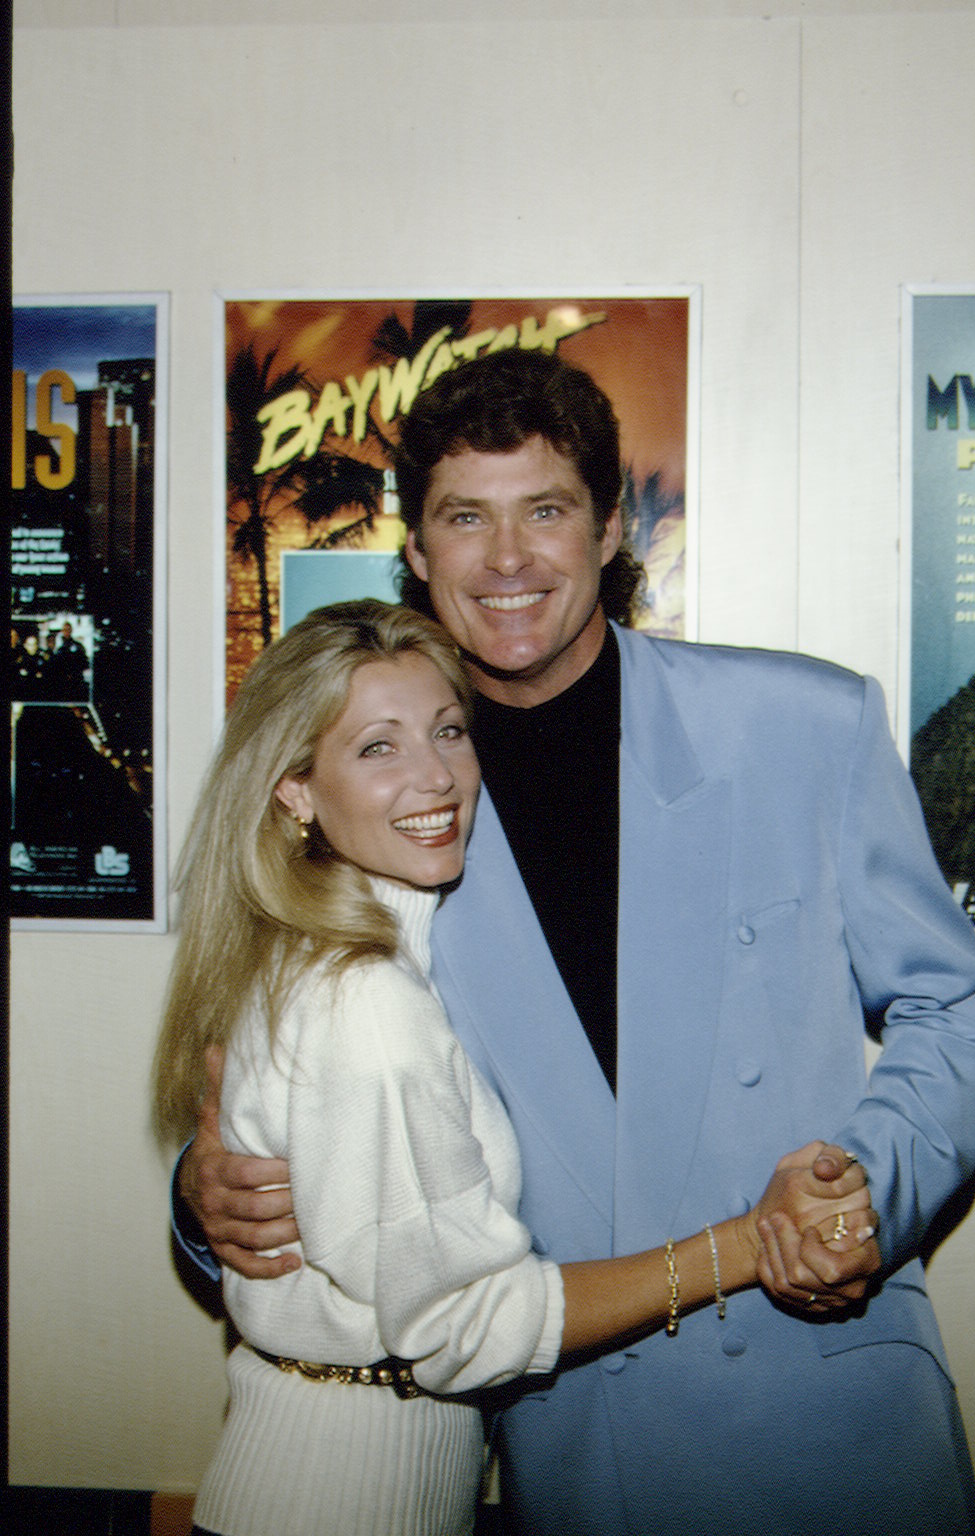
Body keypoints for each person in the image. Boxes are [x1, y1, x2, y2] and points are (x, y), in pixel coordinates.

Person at [177, 352, 975, 1535]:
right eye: (466, 517)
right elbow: (303, 1064)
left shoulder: (802, 724)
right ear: (415, 549)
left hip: (824, 1408)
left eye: (547, 511)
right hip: (580, 1445)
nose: (507, 561)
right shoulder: (381, 797)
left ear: (613, 529)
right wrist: (209, 1191)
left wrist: (868, 1186)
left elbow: (952, 1003)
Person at [154, 598, 873, 1536]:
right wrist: (743, 1246)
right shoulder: (366, 1004)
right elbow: (465, 1328)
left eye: (450, 731)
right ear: (295, 788)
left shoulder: (329, 954)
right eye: (378, 747)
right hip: (338, 1499)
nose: (436, 776)